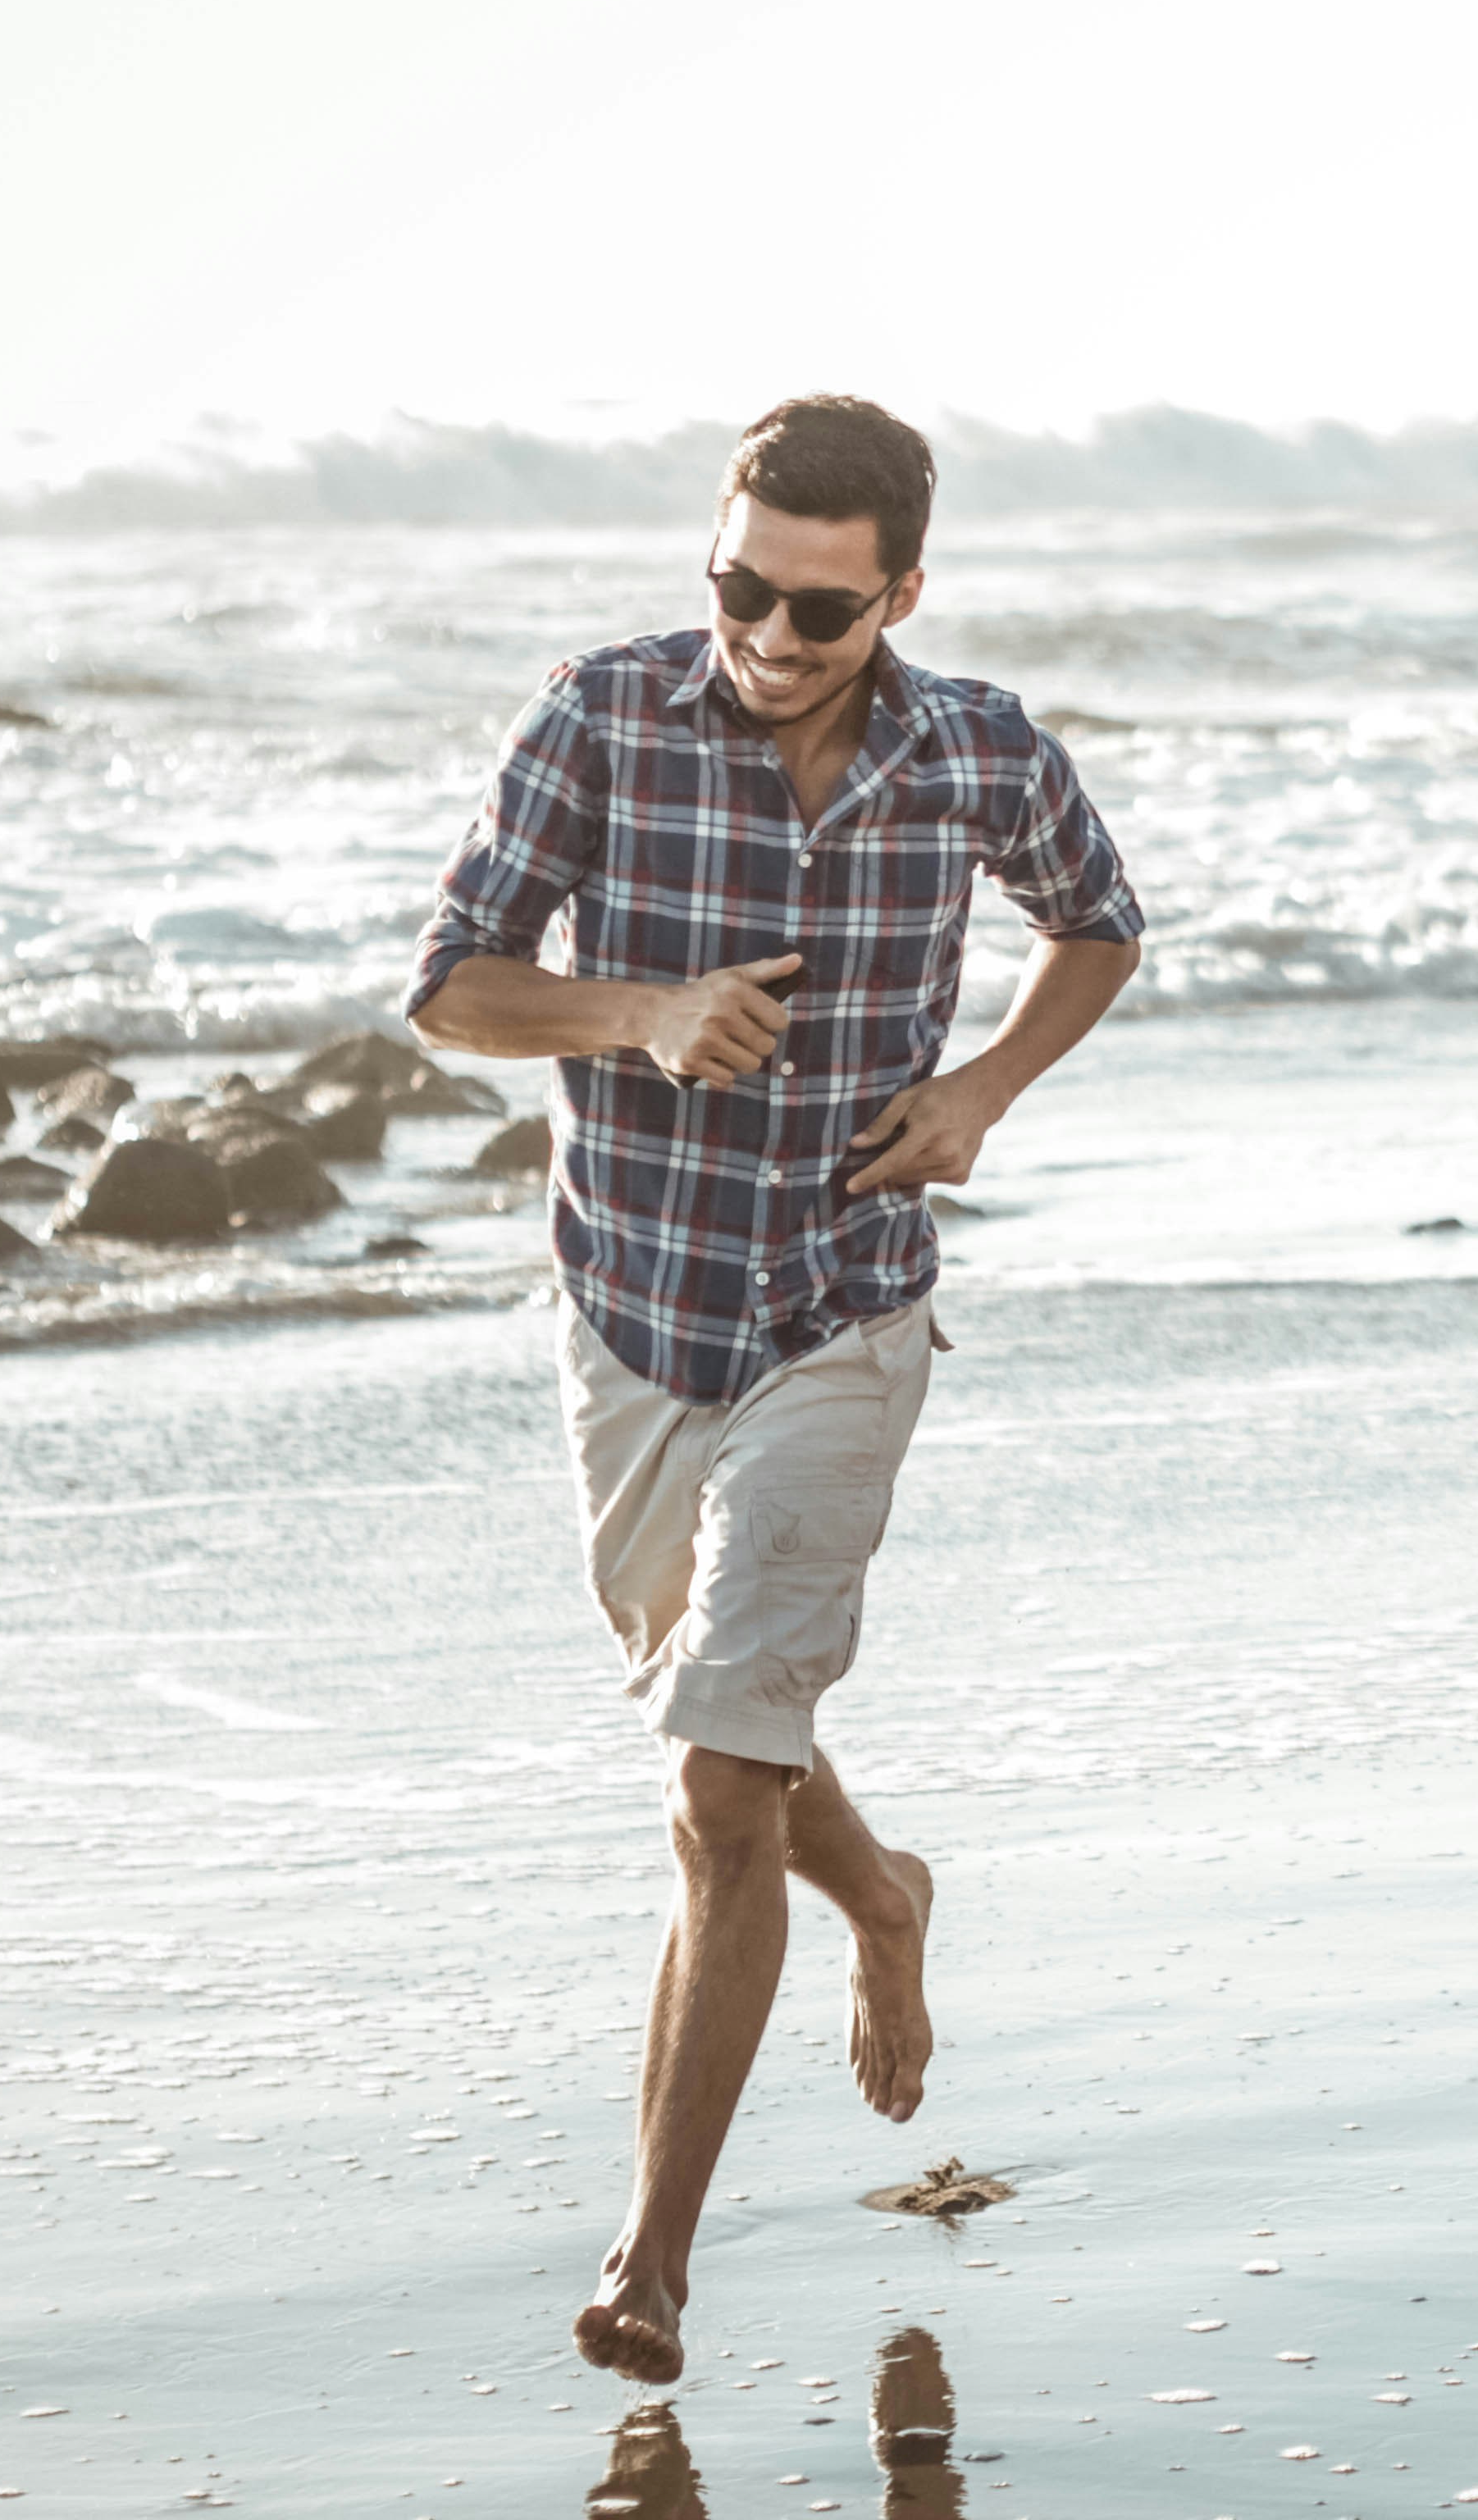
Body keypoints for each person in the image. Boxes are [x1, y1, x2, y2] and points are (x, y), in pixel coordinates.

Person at [407, 393, 1144, 2382]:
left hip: (844, 1309)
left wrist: (982, 1091)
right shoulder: (605, 718)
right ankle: (887, 1899)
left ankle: (648, 2264)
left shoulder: (975, 747)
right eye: (738, 584)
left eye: (816, 609)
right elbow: (454, 984)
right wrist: (639, 1010)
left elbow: (1099, 923)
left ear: (899, 591)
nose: (766, 633)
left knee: (719, 1792)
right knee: (710, 1713)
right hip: (633, 1312)